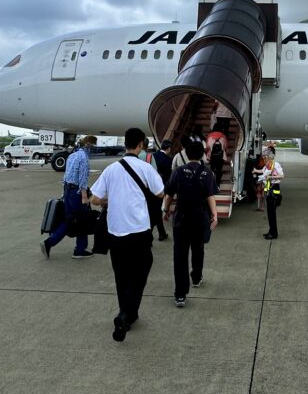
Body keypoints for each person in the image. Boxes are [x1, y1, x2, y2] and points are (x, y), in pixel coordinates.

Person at [90, 127, 165, 342]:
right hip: (140, 231)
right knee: (141, 270)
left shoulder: (111, 169)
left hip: (116, 231)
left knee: (121, 275)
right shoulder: (145, 168)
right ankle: (126, 314)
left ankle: (128, 314)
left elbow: (95, 199)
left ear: (125, 144)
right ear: (141, 145)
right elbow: (160, 192)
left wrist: (112, 199)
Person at [162, 141, 218, 307]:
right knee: (198, 249)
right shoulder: (207, 173)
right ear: (202, 154)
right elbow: (210, 196)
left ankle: (180, 295)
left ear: (186, 154)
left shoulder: (178, 171)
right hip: (200, 219)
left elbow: (169, 193)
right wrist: (214, 216)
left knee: (179, 256)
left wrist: (166, 210)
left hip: (181, 219)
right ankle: (196, 277)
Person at [41, 135, 95, 259]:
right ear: (89, 145)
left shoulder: (72, 156)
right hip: (76, 193)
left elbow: (66, 176)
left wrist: (64, 193)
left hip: (68, 191)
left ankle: (51, 242)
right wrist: (84, 196)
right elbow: (82, 178)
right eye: (92, 145)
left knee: (70, 219)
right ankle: (79, 249)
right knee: (81, 220)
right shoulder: (84, 158)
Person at [149, 140, 174, 241]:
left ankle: (161, 233)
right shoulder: (168, 159)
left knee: (154, 209)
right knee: (156, 211)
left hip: (150, 185)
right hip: (161, 187)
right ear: (168, 148)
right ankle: (152, 234)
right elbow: (170, 176)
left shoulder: (152, 155)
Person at [256, 151, 284, 240]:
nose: (264, 159)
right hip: (269, 192)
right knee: (270, 214)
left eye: (266, 158)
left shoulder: (275, 165)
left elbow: (282, 176)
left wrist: (271, 177)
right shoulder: (267, 166)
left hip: (274, 191)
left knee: (272, 214)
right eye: (264, 158)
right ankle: (271, 231)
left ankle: (274, 234)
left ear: (270, 158)